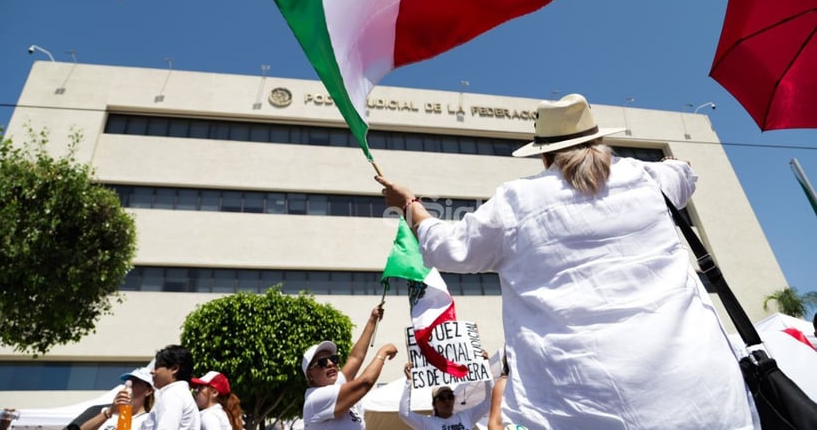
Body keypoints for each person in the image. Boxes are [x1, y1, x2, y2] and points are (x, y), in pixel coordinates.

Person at [377, 93, 758, 430]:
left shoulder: (518, 201)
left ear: (543, 154)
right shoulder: (651, 177)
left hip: (583, 408)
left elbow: (449, 248)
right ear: (599, 139)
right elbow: (685, 171)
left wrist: (409, 204)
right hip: (708, 397)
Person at [302, 305, 398, 430]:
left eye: (334, 359)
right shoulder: (316, 398)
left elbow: (355, 358)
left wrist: (372, 320)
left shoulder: (336, 385)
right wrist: (382, 353)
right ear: (310, 375)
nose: (331, 364)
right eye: (322, 362)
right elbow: (365, 382)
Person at [398, 361, 491, 430]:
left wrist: (487, 370)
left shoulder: (466, 416)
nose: (447, 401)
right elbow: (404, 413)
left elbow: (490, 401)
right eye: (442, 398)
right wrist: (409, 381)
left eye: (450, 397)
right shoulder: (427, 422)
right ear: (434, 404)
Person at [142, 345, 200, 430]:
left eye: (157, 366)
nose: (152, 371)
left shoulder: (173, 395)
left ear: (174, 368)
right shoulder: (177, 394)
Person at [81, 368, 155, 430]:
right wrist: (110, 411)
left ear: (148, 391)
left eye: (136, 382)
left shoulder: (149, 420)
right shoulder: (105, 412)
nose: (129, 384)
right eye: (128, 381)